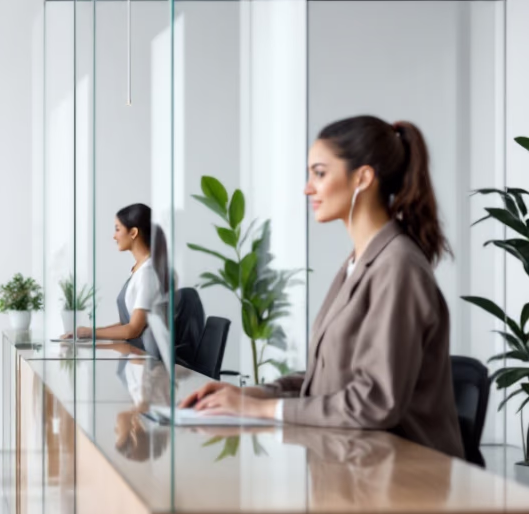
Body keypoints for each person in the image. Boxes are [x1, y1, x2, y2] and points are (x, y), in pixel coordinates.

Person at [180, 116, 465, 459]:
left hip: (405, 479)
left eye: (319, 173)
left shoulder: (398, 266)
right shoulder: (358, 262)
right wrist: (255, 394)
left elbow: (374, 402)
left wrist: (258, 410)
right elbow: (326, 382)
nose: (307, 187)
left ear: (363, 177)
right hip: (356, 466)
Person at [66, 203, 169, 355]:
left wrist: (89, 334)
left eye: (117, 229)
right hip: (136, 355)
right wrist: (86, 332)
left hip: (147, 362)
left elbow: (133, 329)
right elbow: (127, 323)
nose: (114, 236)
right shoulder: (139, 269)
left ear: (133, 232)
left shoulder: (147, 273)